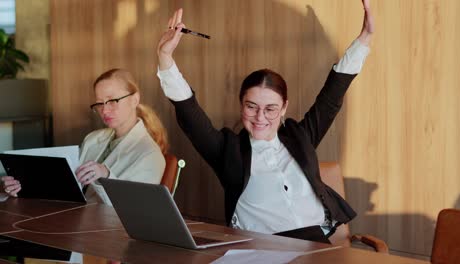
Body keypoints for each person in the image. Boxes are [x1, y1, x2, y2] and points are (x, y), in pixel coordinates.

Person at [157, 0, 373, 243]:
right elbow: (189, 113)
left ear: (284, 108)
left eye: (270, 109)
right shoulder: (228, 151)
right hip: (260, 248)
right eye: (252, 107)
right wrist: (165, 57)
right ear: (241, 105)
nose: (260, 117)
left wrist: (364, 39)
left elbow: (331, 97)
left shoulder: (300, 137)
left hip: (316, 245)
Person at [1, 69, 168, 205]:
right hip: (74, 220)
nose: (104, 110)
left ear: (135, 99)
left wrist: (106, 175)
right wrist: (22, 186)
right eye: (99, 103)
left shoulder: (150, 155)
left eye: (112, 101)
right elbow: (68, 186)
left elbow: (132, 208)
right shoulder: (93, 139)